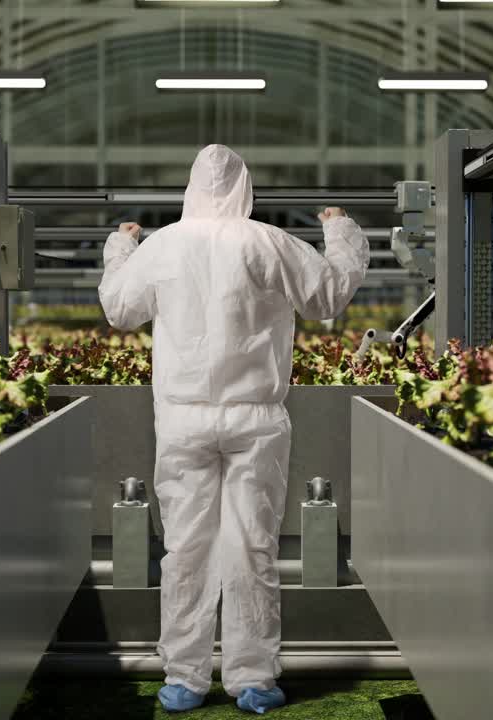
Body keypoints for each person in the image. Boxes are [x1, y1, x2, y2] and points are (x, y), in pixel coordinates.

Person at [98, 144, 369, 714]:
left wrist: (123, 247)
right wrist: (340, 231)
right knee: (252, 545)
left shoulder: (166, 245)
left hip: (182, 420)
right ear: (245, 187)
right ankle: (253, 678)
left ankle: (185, 678)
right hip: (256, 420)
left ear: (191, 188)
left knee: (186, 548)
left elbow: (119, 309)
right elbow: (327, 296)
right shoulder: (267, 241)